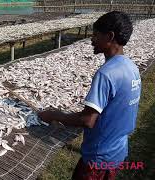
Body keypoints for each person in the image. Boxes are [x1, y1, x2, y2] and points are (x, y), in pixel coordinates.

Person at [38, 11, 141, 180]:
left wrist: (54, 115)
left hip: (98, 156)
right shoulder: (131, 67)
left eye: (95, 35)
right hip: (118, 151)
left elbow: (87, 120)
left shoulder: (106, 74)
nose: (92, 40)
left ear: (109, 36)